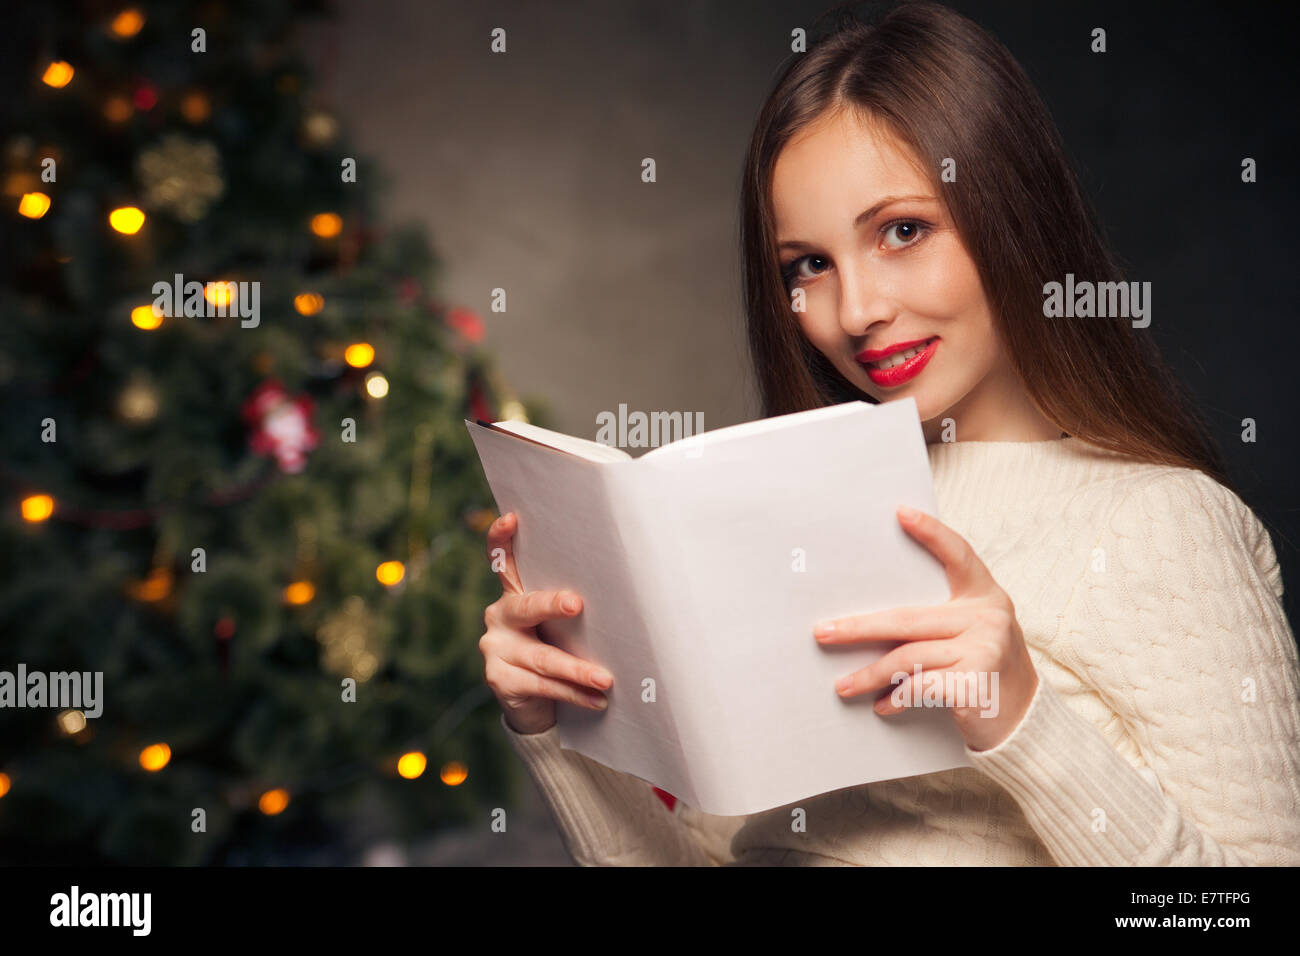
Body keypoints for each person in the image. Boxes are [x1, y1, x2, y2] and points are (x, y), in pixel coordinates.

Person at [476, 1, 1300, 865]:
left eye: (903, 231)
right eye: (810, 266)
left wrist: (1021, 719)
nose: (859, 311)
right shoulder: (792, 516)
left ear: (1011, 214)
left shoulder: (1161, 524)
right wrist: (552, 728)